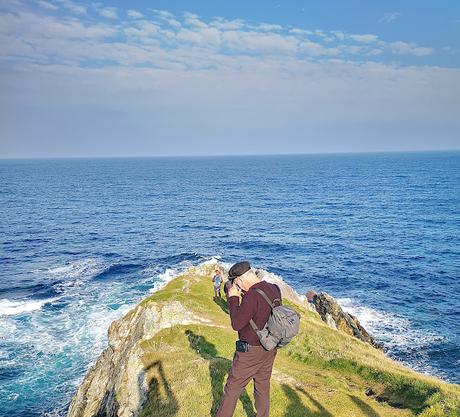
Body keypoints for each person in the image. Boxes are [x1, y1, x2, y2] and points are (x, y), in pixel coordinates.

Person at [216, 261, 281, 417]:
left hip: (250, 351)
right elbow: (261, 314)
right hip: (270, 346)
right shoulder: (274, 288)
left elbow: (237, 324)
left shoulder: (251, 296)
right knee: (262, 385)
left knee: (233, 387)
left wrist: (233, 299)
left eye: (235, 282)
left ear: (239, 280)